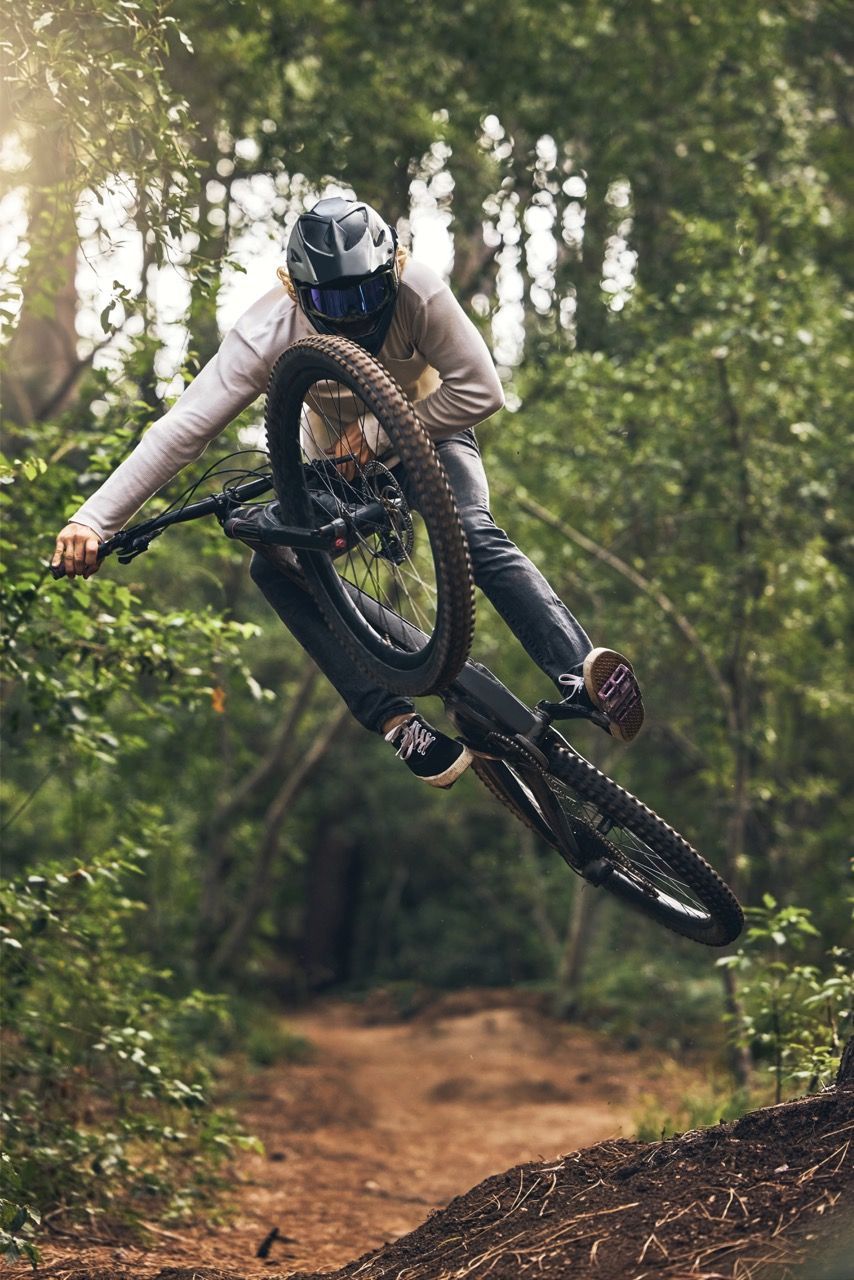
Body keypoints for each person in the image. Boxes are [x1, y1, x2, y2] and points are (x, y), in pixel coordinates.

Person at [52, 196, 644, 787]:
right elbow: (181, 430)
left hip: (431, 428)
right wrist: (94, 521)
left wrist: (378, 429)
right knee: (276, 562)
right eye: (332, 303)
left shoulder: (420, 293)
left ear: (393, 270)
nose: (354, 315)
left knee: (470, 529)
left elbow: (482, 392)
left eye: (365, 295)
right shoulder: (266, 333)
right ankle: (396, 722)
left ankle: (582, 676)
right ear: (295, 292)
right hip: (337, 465)